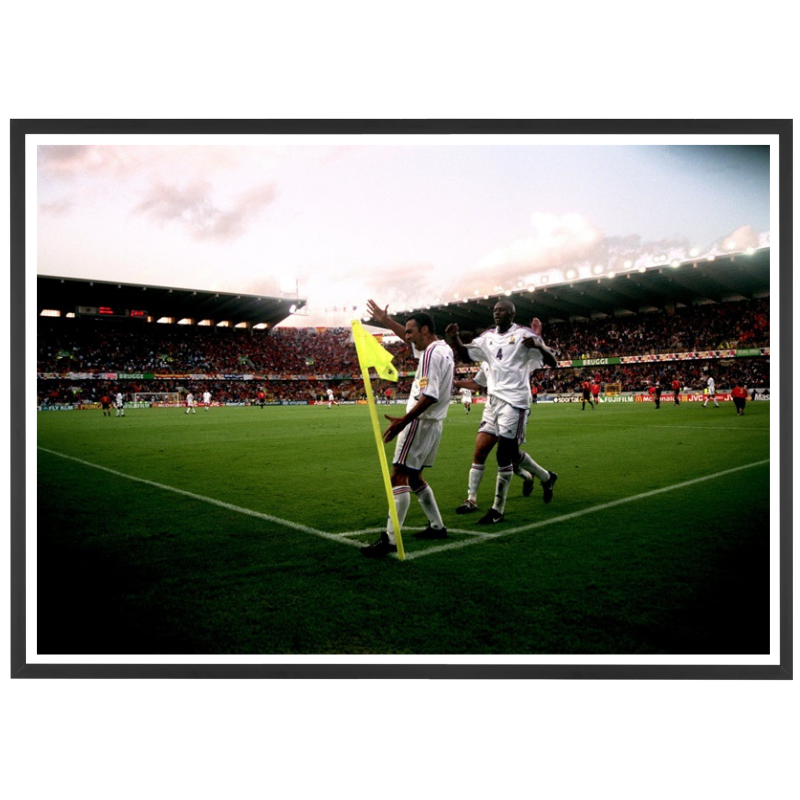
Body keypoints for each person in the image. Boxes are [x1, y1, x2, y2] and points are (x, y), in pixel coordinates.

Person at [445, 299, 558, 524]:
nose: (497, 313)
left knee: (504, 455)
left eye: (502, 310)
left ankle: (498, 509)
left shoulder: (524, 335)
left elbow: (552, 362)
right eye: (495, 310)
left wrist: (538, 345)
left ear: (512, 314)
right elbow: (467, 356)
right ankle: (545, 477)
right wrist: (455, 338)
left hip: (515, 402)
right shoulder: (487, 338)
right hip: (493, 404)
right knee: (488, 452)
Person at [360, 300, 455, 557]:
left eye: (411, 331)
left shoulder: (430, 355)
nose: (407, 336)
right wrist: (384, 320)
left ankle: (390, 539)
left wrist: (405, 420)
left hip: (419, 422)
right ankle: (437, 526)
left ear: (425, 330)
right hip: (433, 424)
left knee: (398, 476)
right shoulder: (443, 349)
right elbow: (406, 336)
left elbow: (430, 394)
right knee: (414, 477)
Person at [453, 367, 544, 510]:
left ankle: (529, 476)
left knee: (509, 458)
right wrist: (455, 383)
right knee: (480, 451)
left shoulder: (512, 352)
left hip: (512, 407)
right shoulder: (486, 355)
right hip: (492, 408)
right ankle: (471, 499)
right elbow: (477, 383)